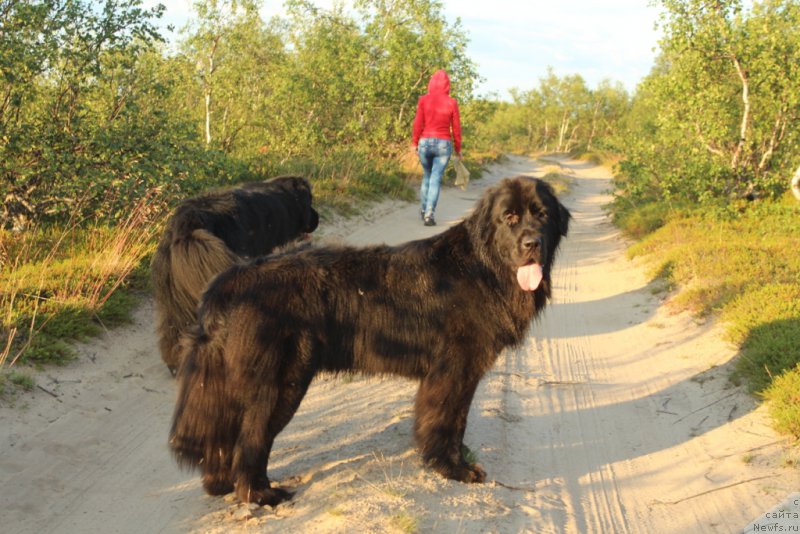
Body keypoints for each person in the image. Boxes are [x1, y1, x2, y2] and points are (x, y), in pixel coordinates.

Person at [412, 69, 462, 226]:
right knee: (435, 178)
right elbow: (456, 127)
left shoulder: (423, 100)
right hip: (443, 144)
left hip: (425, 142)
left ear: (431, 83)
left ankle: (423, 209)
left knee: (427, 176)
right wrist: (458, 148)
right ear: (447, 85)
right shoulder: (451, 102)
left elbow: (418, 123)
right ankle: (429, 214)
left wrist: (414, 142)